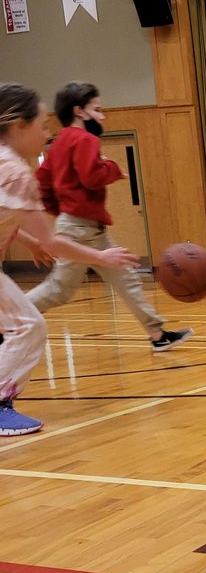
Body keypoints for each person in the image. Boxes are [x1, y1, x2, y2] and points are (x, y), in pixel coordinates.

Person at [0, 82, 138, 436]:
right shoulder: (16, 173)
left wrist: (27, 240)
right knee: (28, 326)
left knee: (22, 325)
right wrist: (100, 256)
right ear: (18, 125)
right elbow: (54, 241)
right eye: (42, 126)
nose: (48, 134)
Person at [28, 81, 192, 353]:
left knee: (125, 278)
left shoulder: (57, 143)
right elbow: (91, 177)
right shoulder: (85, 139)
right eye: (98, 109)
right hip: (81, 228)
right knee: (59, 289)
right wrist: (112, 168)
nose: (102, 116)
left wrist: (62, 213)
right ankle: (8, 320)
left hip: (87, 227)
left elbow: (42, 183)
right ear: (79, 111)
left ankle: (157, 333)